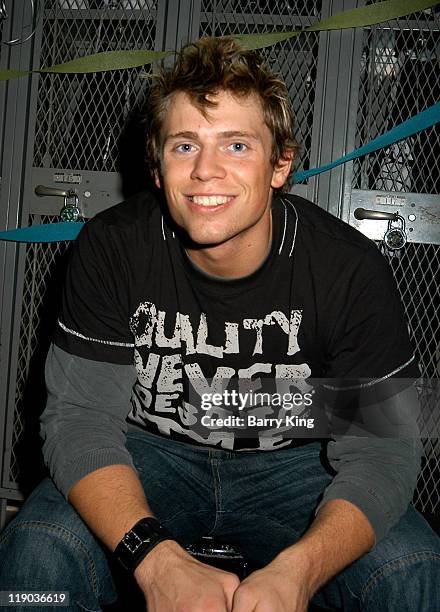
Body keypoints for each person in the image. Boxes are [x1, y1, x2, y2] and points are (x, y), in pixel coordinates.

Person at [0, 36, 439, 612]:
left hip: (300, 465)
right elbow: (81, 421)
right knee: (33, 568)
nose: (206, 171)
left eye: (236, 144)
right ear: (157, 168)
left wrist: (299, 573)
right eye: (184, 146)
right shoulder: (112, 246)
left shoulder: (348, 269)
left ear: (280, 165)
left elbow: (383, 450)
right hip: (147, 454)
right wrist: (156, 562)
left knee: (416, 573)